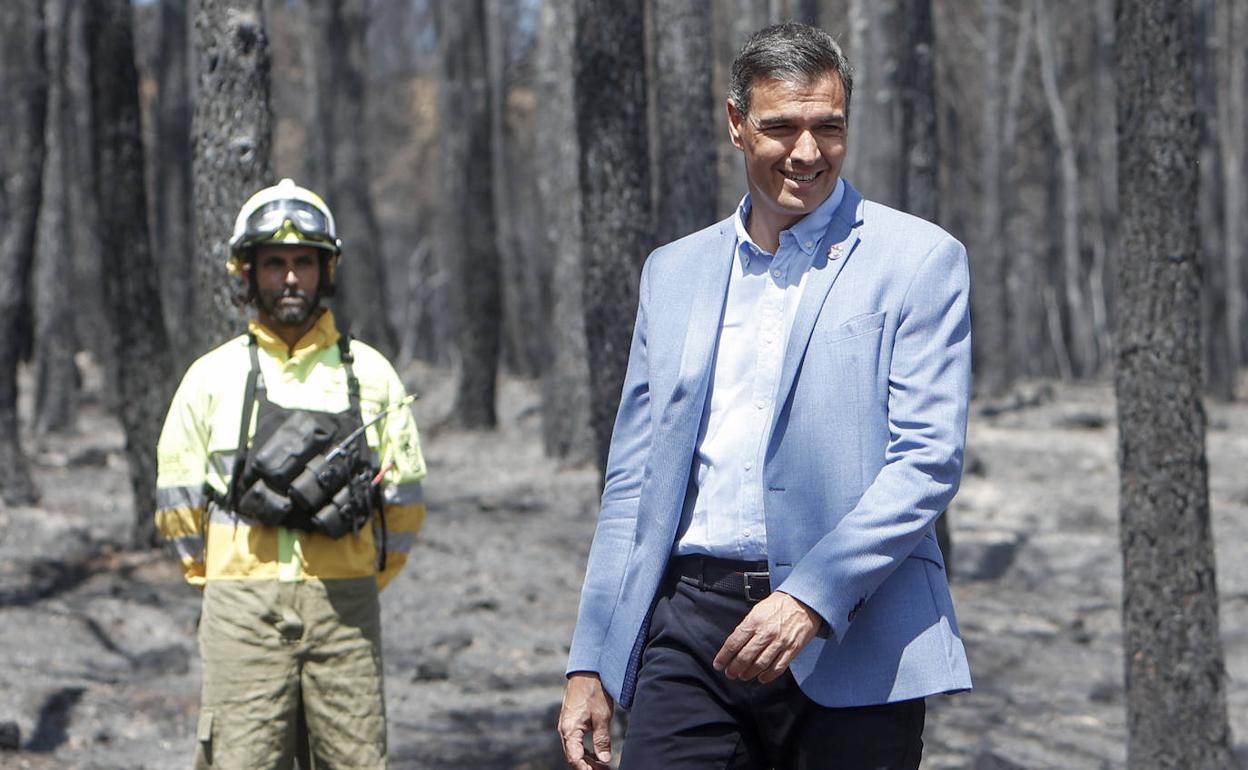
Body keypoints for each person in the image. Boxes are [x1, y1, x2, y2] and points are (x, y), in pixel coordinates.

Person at [558, 22, 971, 770]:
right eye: (780, 127)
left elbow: (927, 461)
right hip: (691, 630)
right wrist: (592, 658)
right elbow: (634, 484)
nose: (807, 152)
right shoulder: (673, 273)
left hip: (857, 630)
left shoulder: (920, 260)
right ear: (736, 124)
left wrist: (811, 595)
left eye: (828, 127)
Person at [155, 178, 427, 769]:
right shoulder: (211, 378)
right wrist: (224, 580)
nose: (290, 278)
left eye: (304, 261)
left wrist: (358, 578)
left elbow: (404, 502)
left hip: (346, 614)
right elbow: (176, 503)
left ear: (326, 269)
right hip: (240, 616)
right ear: (247, 272)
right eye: (273, 262)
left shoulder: (372, 376)